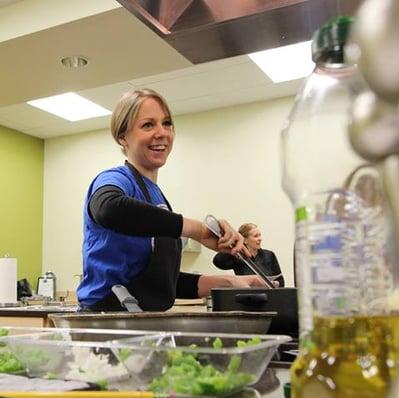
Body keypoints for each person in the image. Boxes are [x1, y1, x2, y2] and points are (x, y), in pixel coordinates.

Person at [76, 88, 270, 312]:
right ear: (123, 137)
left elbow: (163, 283)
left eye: (166, 123)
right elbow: (108, 208)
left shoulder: (157, 199)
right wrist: (197, 230)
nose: (162, 133)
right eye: (148, 125)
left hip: (140, 321)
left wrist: (232, 283)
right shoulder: (116, 179)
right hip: (106, 320)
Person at [212, 223, 285, 287]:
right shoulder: (239, 257)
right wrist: (233, 246)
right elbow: (218, 261)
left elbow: (281, 281)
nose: (260, 239)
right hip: (247, 296)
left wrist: (275, 283)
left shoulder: (269, 255)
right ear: (245, 240)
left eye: (260, 235)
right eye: (256, 236)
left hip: (269, 296)